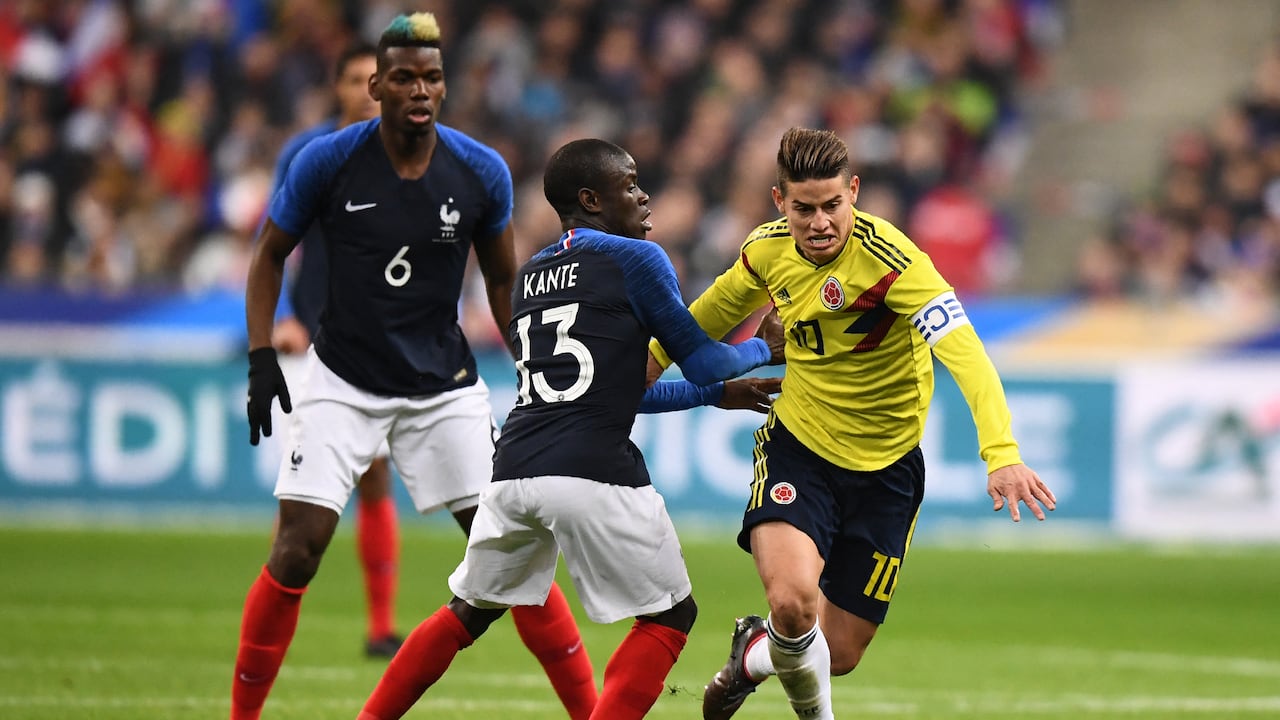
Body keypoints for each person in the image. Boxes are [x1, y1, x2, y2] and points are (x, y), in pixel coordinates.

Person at [235, 13, 596, 720]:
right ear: (376, 85)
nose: (420, 89)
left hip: (443, 388)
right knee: (298, 549)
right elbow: (269, 254)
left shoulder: (480, 170)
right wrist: (259, 359)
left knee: (514, 560)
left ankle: (594, 714)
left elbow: (500, 280)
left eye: (431, 77)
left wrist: (532, 365)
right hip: (341, 379)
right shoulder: (328, 162)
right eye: (403, 76)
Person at [354, 137, 786, 720]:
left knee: (466, 612)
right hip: (591, 469)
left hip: (511, 470)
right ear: (591, 198)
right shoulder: (638, 259)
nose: (643, 195)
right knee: (670, 617)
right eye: (629, 184)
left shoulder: (534, 272)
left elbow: (619, 389)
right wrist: (762, 347)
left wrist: (715, 395)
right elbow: (704, 359)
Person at [647, 127, 1059, 720]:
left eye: (833, 206)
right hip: (801, 448)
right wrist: (645, 366)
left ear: (854, 193)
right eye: (804, 208)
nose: (820, 223)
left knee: (834, 652)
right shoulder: (766, 250)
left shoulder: (897, 263)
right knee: (794, 605)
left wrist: (1002, 452)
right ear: (778, 202)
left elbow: (965, 353)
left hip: (888, 469)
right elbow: (705, 316)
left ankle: (752, 655)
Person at [266, 41, 405, 660]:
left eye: (376, 79)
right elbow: (272, 244)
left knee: (374, 480)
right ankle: (275, 606)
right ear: (338, 85)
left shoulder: (413, 152)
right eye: (355, 78)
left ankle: (380, 625)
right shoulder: (308, 154)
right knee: (302, 496)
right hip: (317, 336)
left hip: (386, 342)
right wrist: (284, 318)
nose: (366, 89)